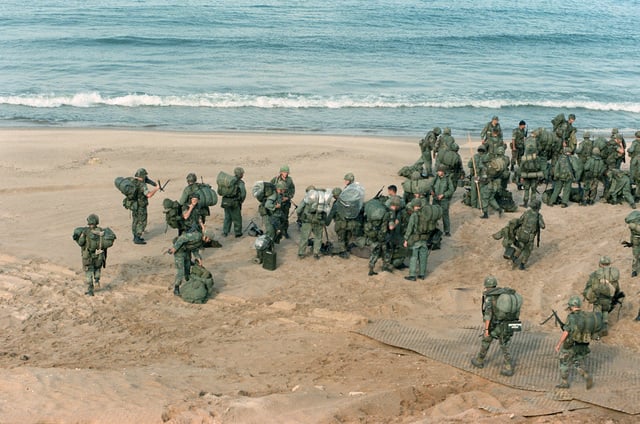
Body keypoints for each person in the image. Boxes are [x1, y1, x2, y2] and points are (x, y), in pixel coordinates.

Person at [470, 276, 516, 377]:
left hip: (496, 326)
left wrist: (486, 329)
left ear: (486, 286)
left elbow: (488, 315)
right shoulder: (503, 294)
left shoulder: (490, 298)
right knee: (504, 344)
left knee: (486, 339)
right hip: (510, 324)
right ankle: (508, 367)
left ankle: (479, 360)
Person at [554, 295, 594, 390]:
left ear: (571, 306)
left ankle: (564, 382)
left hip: (571, 345)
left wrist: (559, 344)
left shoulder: (571, 317)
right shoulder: (586, 316)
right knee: (578, 362)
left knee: (563, 361)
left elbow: (566, 332)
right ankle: (586, 375)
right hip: (583, 345)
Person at [73, 214, 110, 296]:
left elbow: (81, 243)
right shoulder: (101, 231)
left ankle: (90, 290)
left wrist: (79, 238)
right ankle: (97, 281)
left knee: (88, 272)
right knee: (97, 269)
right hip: (99, 255)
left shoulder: (86, 231)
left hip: (88, 256)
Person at [583, 256, 620, 337]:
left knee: (597, 315)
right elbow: (617, 287)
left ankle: (596, 334)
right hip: (609, 298)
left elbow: (590, 285)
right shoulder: (613, 273)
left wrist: (587, 294)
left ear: (600, 264)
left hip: (598, 298)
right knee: (605, 311)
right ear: (609, 263)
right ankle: (604, 328)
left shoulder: (595, 274)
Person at [403, 198, 439, 280]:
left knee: (413, 257)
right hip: (425, 238)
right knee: (423, 257)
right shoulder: (426, 214)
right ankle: (422, 274)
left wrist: (406, 239)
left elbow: (410, 228)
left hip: (416, 238)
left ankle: (412, 275)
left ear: (414, 206)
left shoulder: (414, 215)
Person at [167, 232, 206, 296]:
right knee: (181, 271)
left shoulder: (200, 241)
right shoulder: (196, 236)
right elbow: (182, 238)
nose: (208, 241)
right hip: (179, 252)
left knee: (187, 267)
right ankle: (176, 288)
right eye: (209, 239)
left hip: (187, 252)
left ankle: (188, 282)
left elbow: (194, 249)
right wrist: (175, 248)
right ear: (206, 237)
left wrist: (198, 258)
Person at [512, 198, 545, 270]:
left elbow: (520, 220)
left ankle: (514, 258)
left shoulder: (526, 213)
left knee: (520, 247)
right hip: (530, 237)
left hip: (522, 234)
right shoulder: (538, 216)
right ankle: (522, 265)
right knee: (527, 250)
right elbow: (543, 226)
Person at [130, 168, 160, 244]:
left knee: (135, 220)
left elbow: (147, 180)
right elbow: (149, 195)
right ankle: (137, 237)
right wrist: (156, 189)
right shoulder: (142, 185)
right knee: (142, 221)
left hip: (133, 204)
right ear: (142, 176)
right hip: (141, 206)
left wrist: (154, 184)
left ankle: (135, 236)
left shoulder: (132, 180)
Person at [296, 185, 326, 259]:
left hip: (307, 221)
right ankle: (316, 253)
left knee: (304, 237)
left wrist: (300, 216)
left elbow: (298, 210)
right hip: (318, 221)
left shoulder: (306, 199)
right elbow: (325, 211)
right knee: (318, 237)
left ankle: (301, 254)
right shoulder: (322, 199)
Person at [270, 165, 295, 239]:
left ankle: (285, 231)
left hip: (286, 202)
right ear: (281, 172)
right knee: (276, 217)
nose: (286, 174)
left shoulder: (289, 180)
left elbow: (292, 190)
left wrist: (288, 197)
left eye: (287, 172)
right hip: (277, 202)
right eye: (284, 172)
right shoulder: (275, 180)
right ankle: (276, 232)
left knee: (285, 218)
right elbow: (270, 188)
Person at [221, 167, 247, 238]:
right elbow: (243, 194)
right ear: (241, 174)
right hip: (235, 202)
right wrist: (240, 201)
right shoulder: (240, 183)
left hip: (226, 201)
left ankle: (225, 232)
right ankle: (238, 233)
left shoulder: (228, 180)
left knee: (227, 217)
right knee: (237, 218)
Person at [431, 165, 454, 236]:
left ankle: (447, 231)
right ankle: (433, 229)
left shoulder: (447, 179)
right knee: (434, 214)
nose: (438, 172)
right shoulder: (436, 178)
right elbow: (431, 185)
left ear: (443, 172)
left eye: (440, 171)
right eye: (438, 171)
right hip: (436, 199)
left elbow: (451, 190)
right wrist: (432, 191)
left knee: (445, 215)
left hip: (444, 200)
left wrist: (443, 195)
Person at [627, 131, 640, 200]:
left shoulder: (634, 142)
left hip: (635, 160)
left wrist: (628, 150)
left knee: (633, 174)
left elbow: (631, 150)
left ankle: (634, 193)